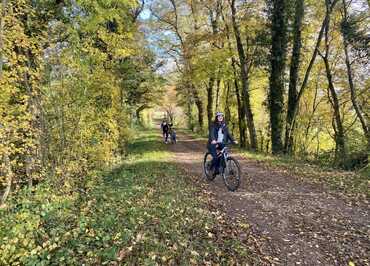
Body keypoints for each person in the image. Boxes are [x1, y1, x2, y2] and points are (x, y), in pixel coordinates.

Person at [207, 112, 237, 176]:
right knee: (215, 157)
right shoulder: (213, 125)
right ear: (216, 118)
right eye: (219, 116)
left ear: (223, 117)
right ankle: (211, 167)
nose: (220, 117)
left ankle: (221, 168)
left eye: (221, 116)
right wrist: (213, 140)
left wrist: (233, 140)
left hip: (221, 143)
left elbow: (228, 134)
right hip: (212, 143)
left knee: (224, 154)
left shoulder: (224, 125)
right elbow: (211, 133)